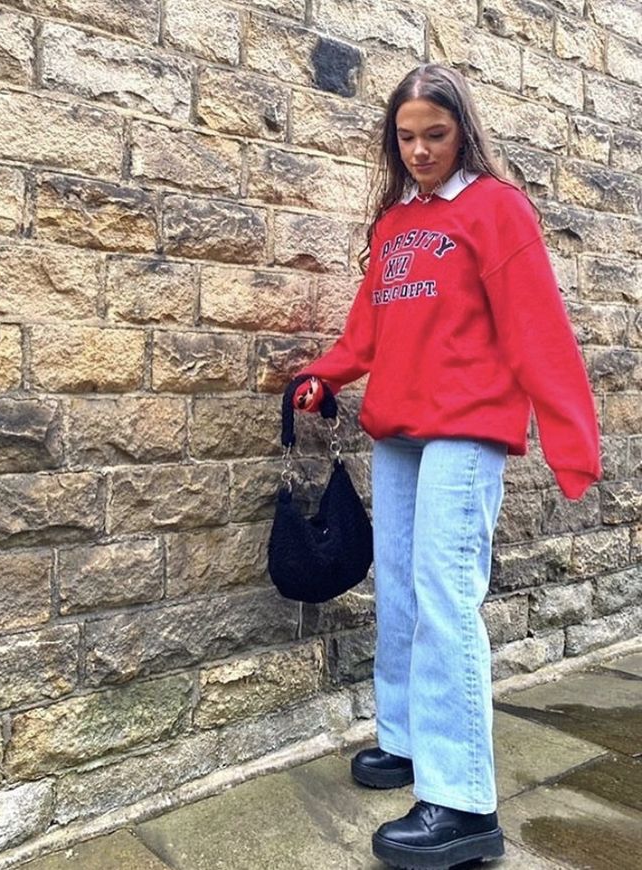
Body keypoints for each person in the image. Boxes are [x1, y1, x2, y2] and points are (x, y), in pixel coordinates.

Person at [290, 62, 601, 869]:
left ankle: (464, 804)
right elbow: (369, 332)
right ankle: (405, 741)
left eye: (436, 134)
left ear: (462, 130)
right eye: (407, 136)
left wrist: (572, 442)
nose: (421, 149)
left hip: (467, 430)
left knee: (444, 593)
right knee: (396, 585)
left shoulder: (496, 210)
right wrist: (324, 372)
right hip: (397, 431)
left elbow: (537, 328)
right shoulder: (394, 224)